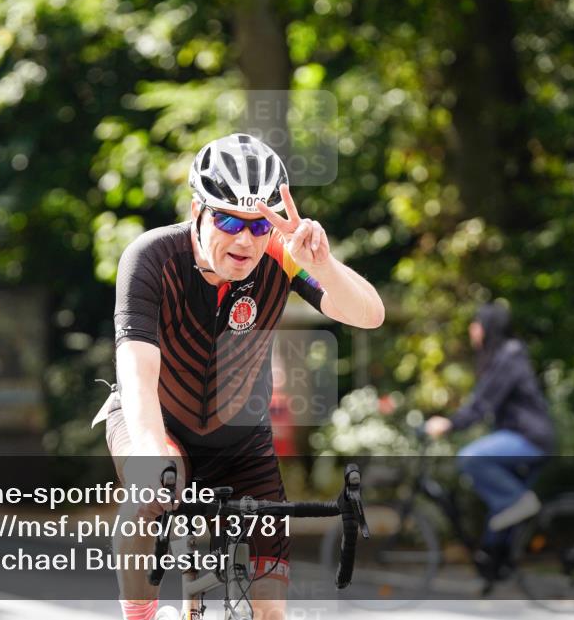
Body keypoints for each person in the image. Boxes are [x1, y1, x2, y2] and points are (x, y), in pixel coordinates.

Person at [93, 133, 385, 620]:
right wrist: (149, 458)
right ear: (196, 211)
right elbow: (138, 375)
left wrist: (324, 266)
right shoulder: (150, 259)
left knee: (270, 612)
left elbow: (369, 315)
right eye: (228, 219)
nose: (245, 239)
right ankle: (138, 615)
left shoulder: (281, 255)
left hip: (242, 441)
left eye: (258, 224)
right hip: (156, 424)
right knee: (154, 482)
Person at [424, 302, 555, 571]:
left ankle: (520, 503)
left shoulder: (509, 357)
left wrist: (449, 424)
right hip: (522, 437)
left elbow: (481, 404)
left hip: (530, 439)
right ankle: (494, 564)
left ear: (489, 327)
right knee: (502, 510)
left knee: (471, 458)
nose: (472, 330)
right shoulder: (503, 356)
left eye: (476, 324)